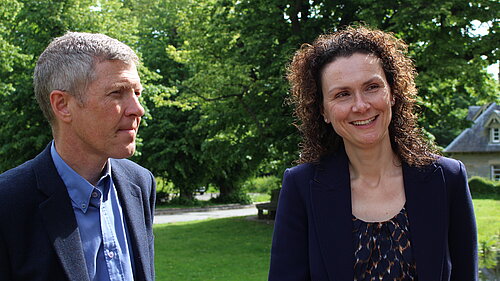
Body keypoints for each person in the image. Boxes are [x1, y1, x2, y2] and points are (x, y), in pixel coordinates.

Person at [268, 26, 478, 280]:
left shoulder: (447, 179)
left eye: (372, 87)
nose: (361, 105)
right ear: (323, 111)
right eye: (342, 94)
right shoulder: (302, 187)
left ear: (392, 93)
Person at [0, 32, 156, 281]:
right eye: (117, 93)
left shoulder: (140, 183)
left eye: (137, 93)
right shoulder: (8, 202)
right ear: (62, 105)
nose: (138, 109)